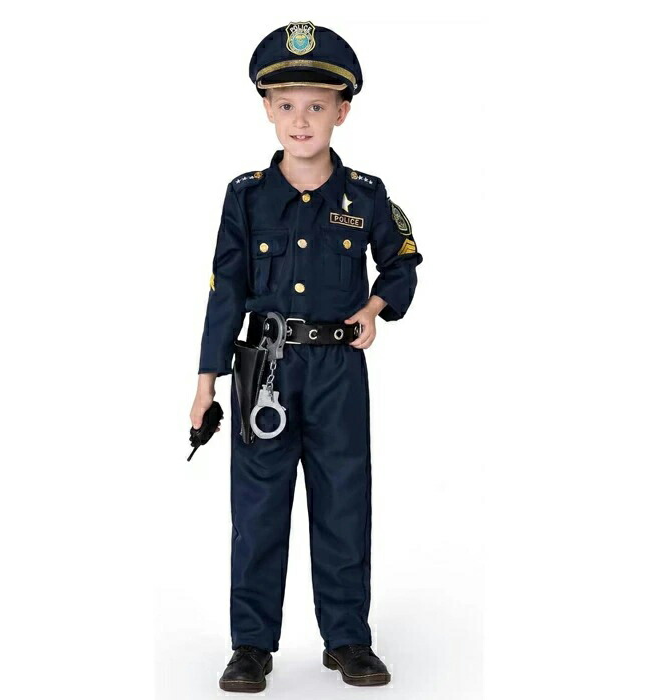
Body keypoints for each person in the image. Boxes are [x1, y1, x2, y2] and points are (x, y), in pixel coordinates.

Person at [190, 21, 423, 692]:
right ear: (267, 108)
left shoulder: (367, 196)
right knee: (257, 508)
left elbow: (403, 263)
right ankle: (251, 645)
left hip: (337, 372)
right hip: (262, 369)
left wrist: (373, 309)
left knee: (344, 501)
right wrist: (206, 383)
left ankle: (347, 637)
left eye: (317, 105)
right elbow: (225, 289)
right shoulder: (245, 196)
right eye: (287, 104)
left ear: (342, 112)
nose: (301, 119)